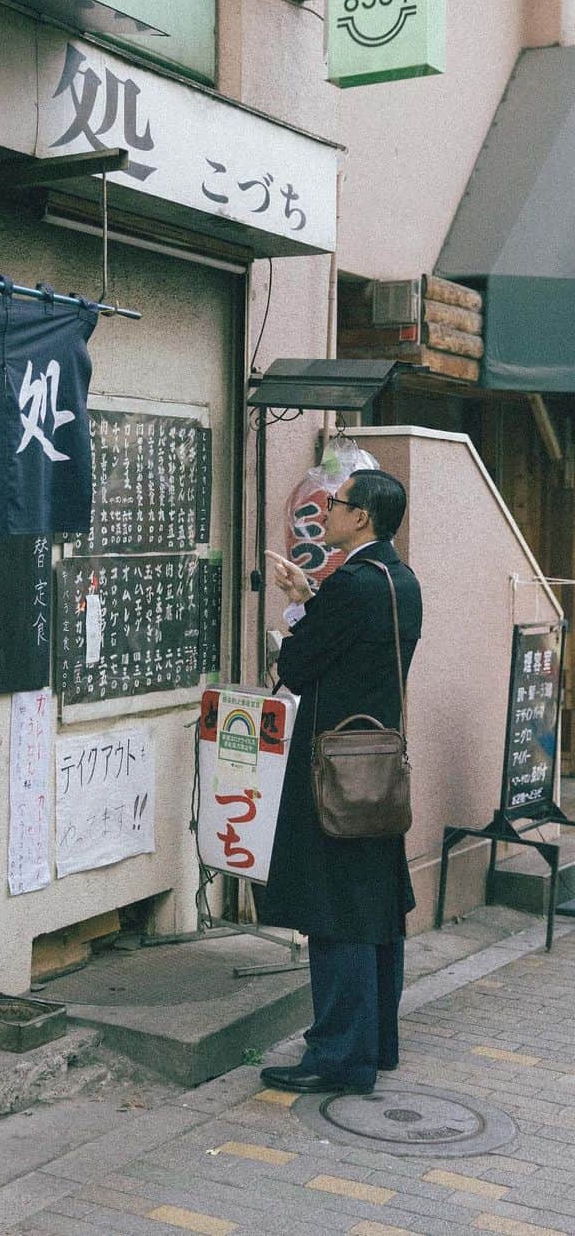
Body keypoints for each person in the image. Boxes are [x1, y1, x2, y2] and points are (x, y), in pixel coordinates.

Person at [258, 468, 423, 1094]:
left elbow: (299, 665)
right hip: (377, 767)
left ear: (363, 518)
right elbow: (356, 652)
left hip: (334, 769)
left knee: (337, 910)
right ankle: (376, 1044)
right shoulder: (398, 580)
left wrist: (299, 609)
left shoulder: (353, 583)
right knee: (376, 907)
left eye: (339, 503)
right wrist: (309, 593)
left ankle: (337, 1056)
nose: (327, 509)